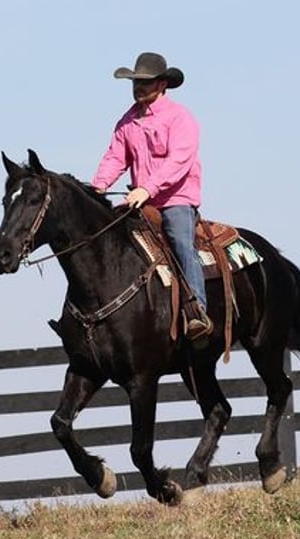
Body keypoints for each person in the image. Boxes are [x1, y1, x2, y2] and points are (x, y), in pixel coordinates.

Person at [92, 52, 213, 341]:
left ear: (162, 84)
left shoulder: (180, 118)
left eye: (145, 82)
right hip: (140, 200)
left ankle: (197, 310)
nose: (139, 87)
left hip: (175, 198)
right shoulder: (128, 121)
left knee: (181, 241)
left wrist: (147, 189)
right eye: (136, 82)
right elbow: (115, 157)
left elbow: (179, 160)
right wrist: (98, 187)